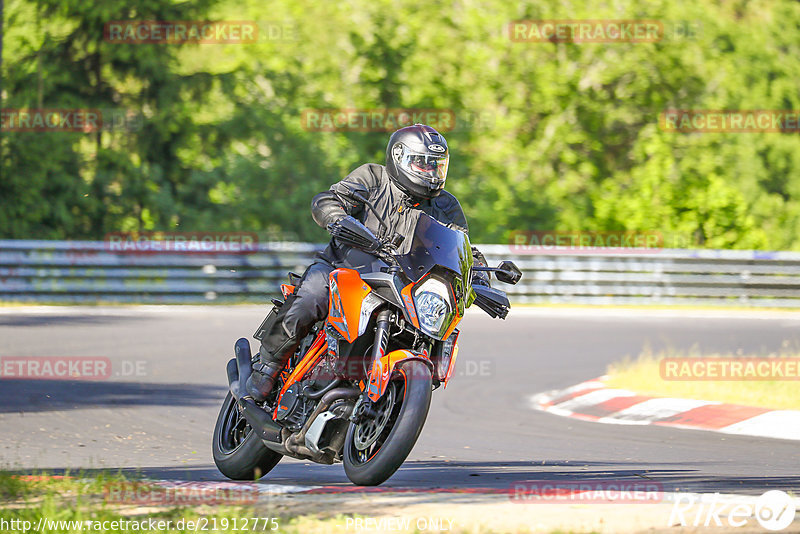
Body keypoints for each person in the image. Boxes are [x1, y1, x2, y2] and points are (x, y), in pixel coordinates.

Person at [246, 123, 489, 402]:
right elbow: (332, 199)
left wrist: (480, 276)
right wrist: (335, 215)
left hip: (402, 288)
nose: (430, 171)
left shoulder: (446, 206)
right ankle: (269, 364)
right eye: (422, 163)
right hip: (345, 269)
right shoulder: (373, 176)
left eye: (436, 165)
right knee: (314, 293)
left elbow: (461, 248)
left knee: (436, 330)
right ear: (399, 157)